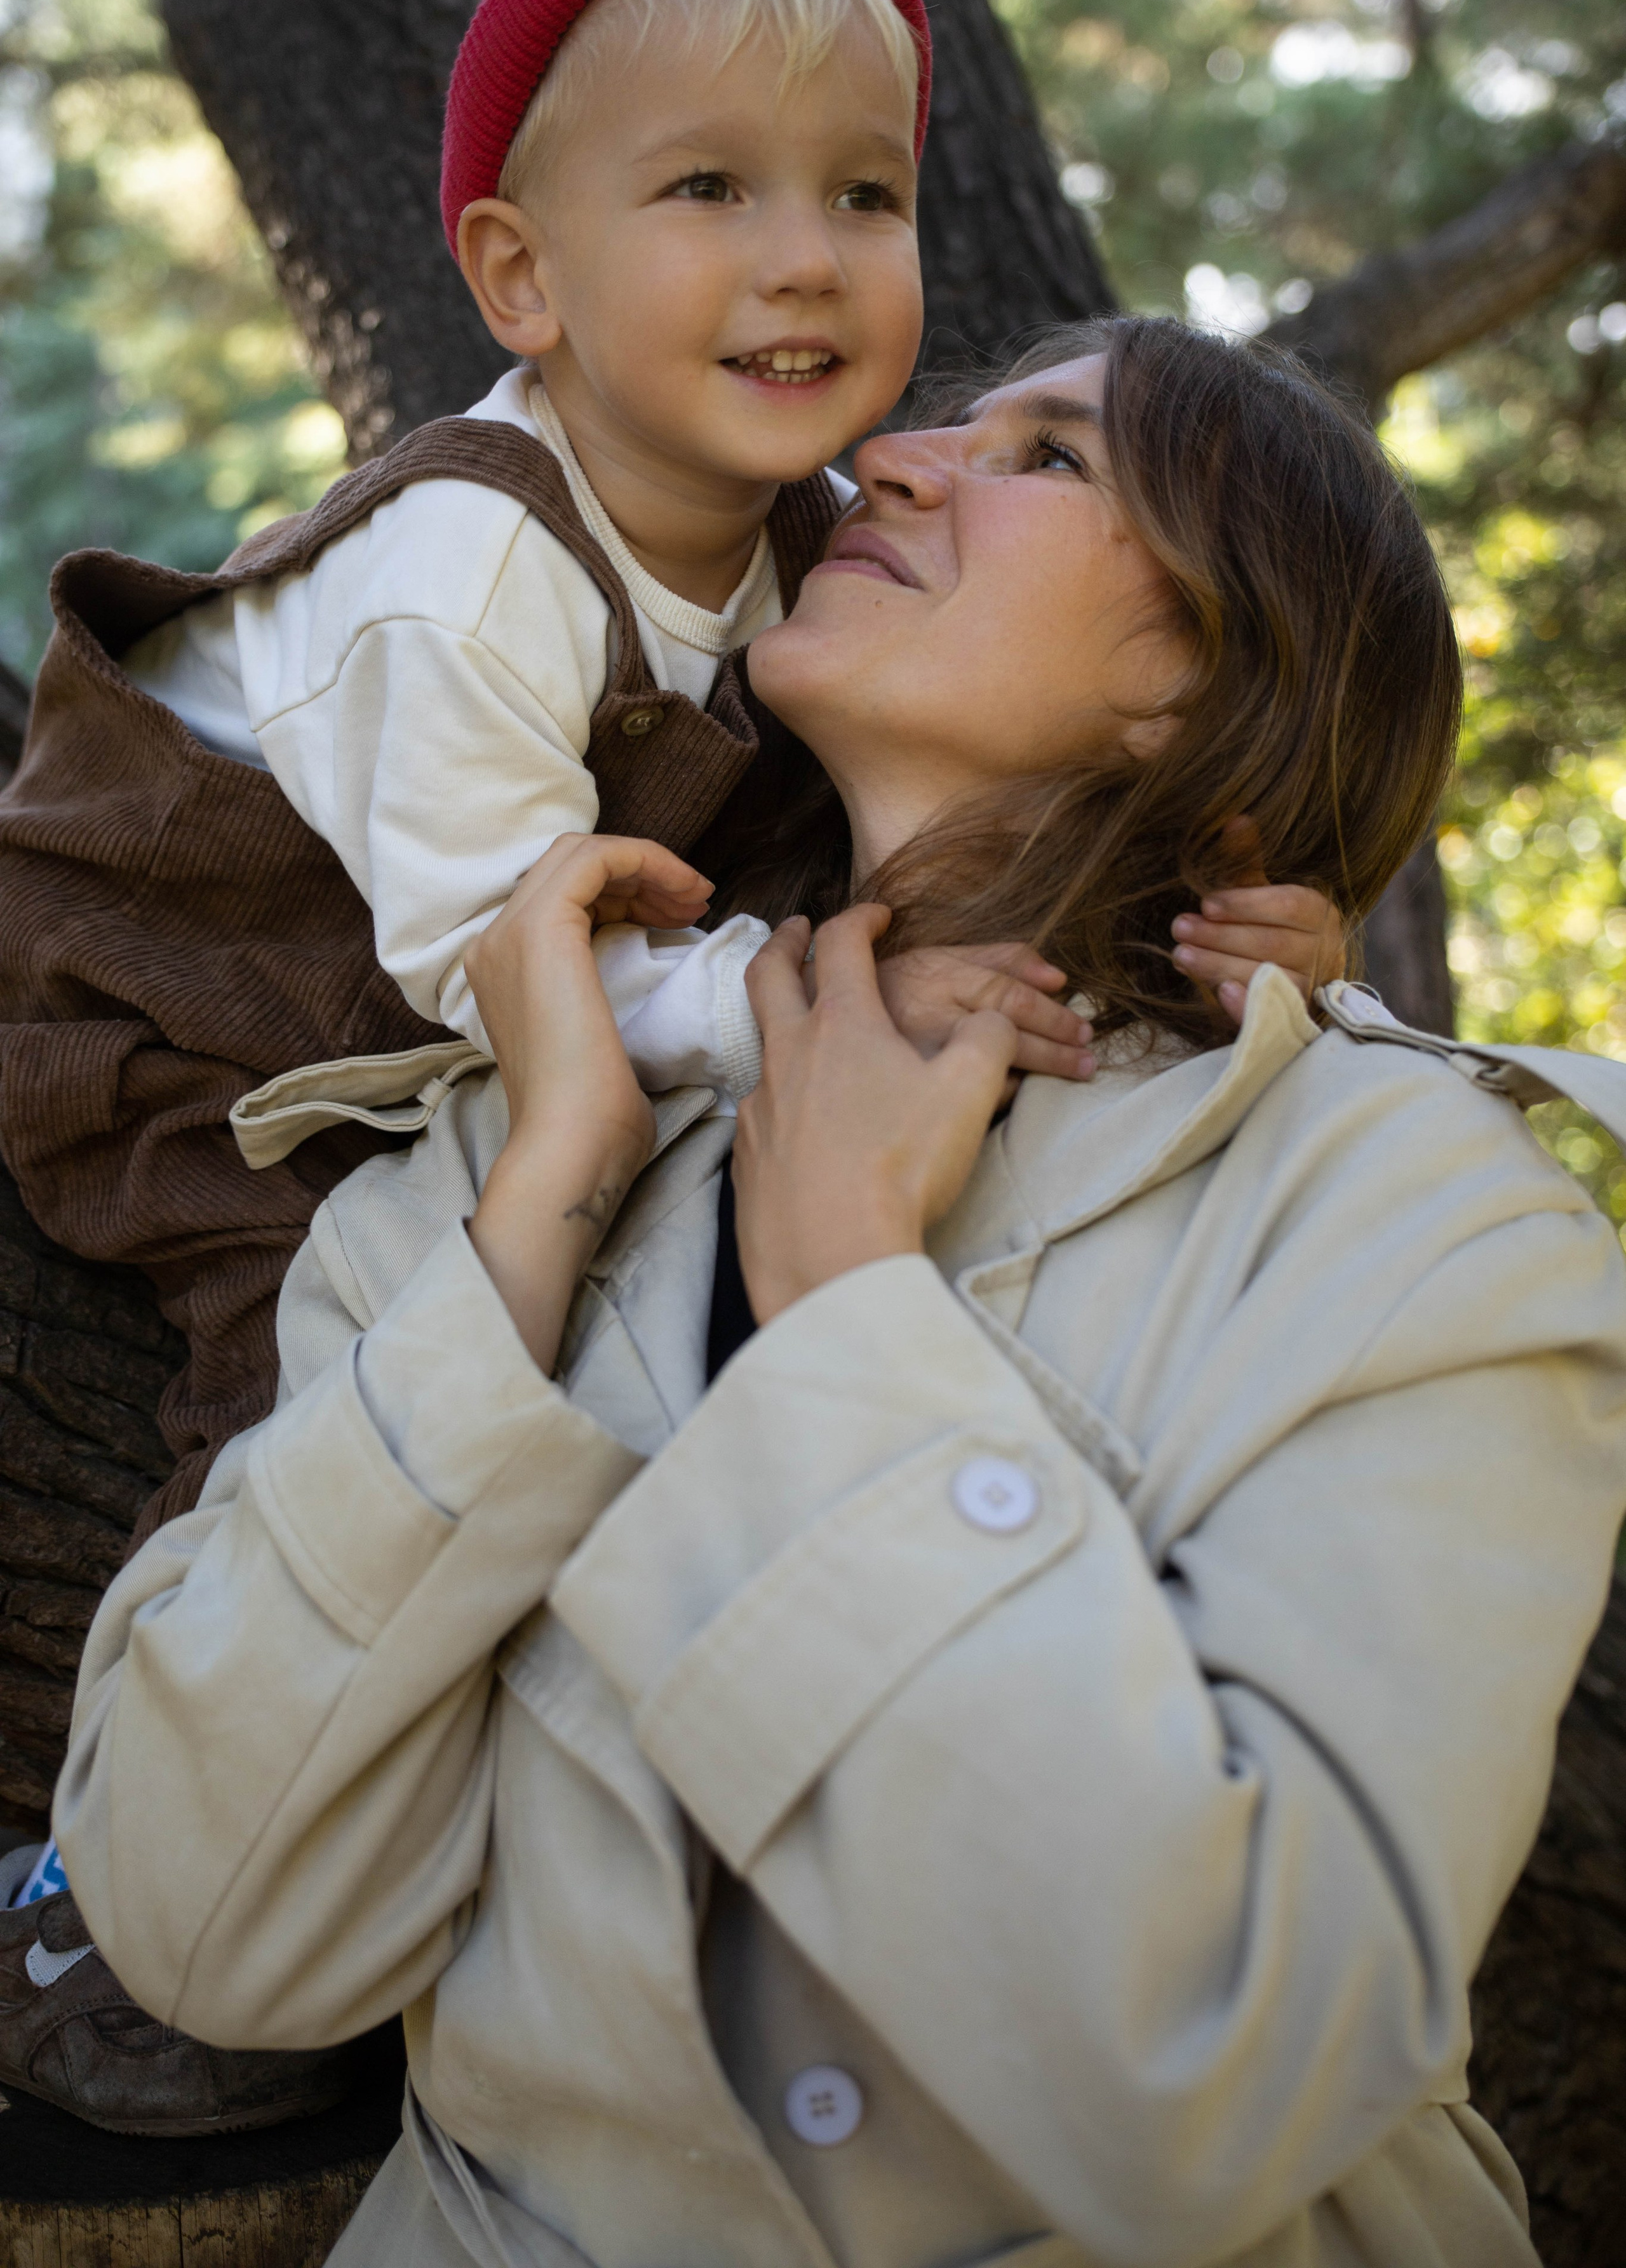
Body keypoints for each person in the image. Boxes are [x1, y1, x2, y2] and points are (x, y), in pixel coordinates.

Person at [47, 315, 1626, 2262]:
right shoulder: (482, 1167)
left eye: (1050, 461)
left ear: (1213, 695)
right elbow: (206, 1930)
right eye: (948, 426)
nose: (888, 460)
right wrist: (548, 1198)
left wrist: (851, 1305)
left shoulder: (1414, 1218)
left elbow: (1206, 2077)